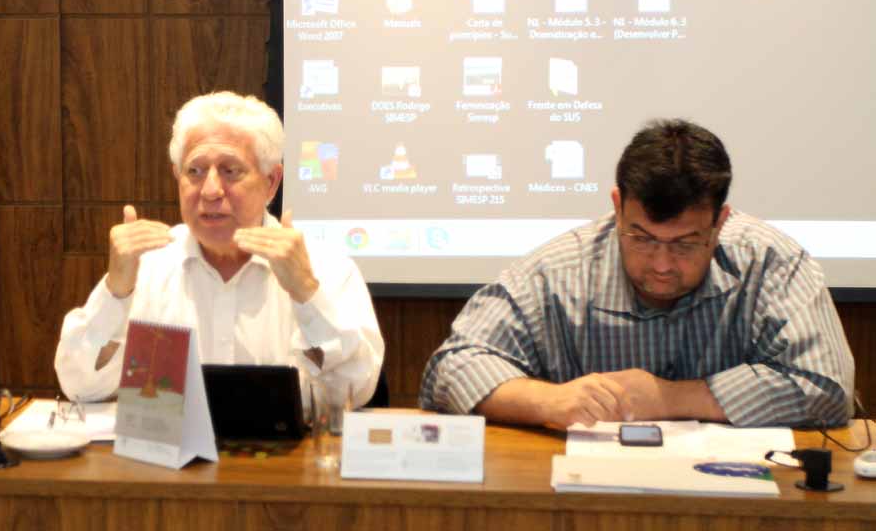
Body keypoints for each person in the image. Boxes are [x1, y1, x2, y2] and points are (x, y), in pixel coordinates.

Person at [420, 119, 854, 429]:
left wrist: (669, 397)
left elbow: (828, 387)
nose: (662, 264)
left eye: (685, 243)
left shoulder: (770, 262)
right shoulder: (560, 271)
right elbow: (452, 366)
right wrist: (548, 401)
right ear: (617, 206)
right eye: (642, 238)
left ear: (720, 222)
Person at [55, 91, 384, 409]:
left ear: (271, 181)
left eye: (230, 171)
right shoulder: (149, 266)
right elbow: (80, 387)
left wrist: (306, 293)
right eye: (194, 171)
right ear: (177, 177)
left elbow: (354, 392)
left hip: (284, 449)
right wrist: (116, 292)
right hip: (169, 448)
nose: (210, 191)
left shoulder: (326, 268)